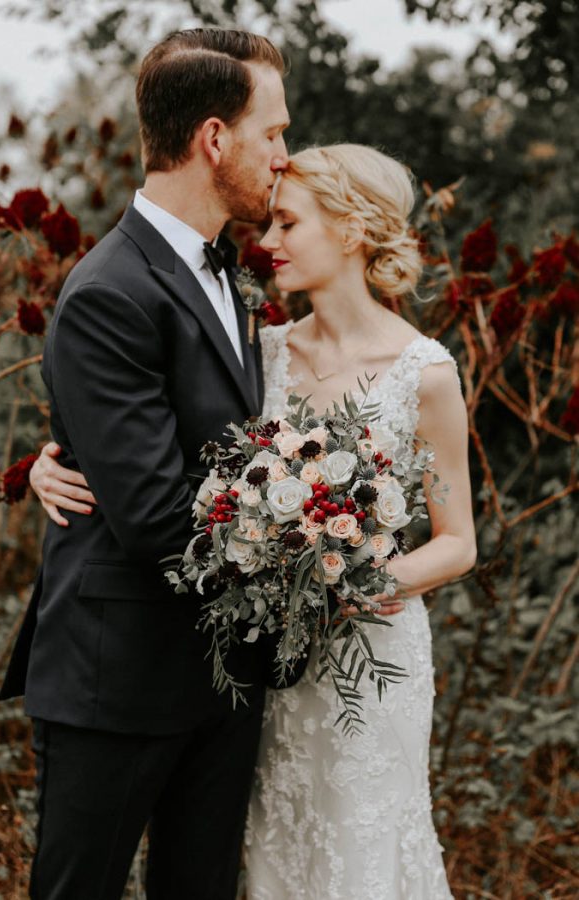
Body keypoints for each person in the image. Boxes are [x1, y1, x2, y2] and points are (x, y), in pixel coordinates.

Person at [32, 142, 476, 897]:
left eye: (286, 224)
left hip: (371, 655)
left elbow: (458, 541)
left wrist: (353, 576)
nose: (265, 243)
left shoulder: (425, 372)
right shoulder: (259, 350)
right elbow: (161, 443)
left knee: (361, 848)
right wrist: (57, 459)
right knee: (272, 852)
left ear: (351, 230)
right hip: (261, 658)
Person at [0, 27, 295, 900]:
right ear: (214, 138)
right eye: (272, 132)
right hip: (116, 681)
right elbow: (160, 517)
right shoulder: (108, 293)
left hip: (220, 676)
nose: (283, 153)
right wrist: (319, 563)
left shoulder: (226, 275)